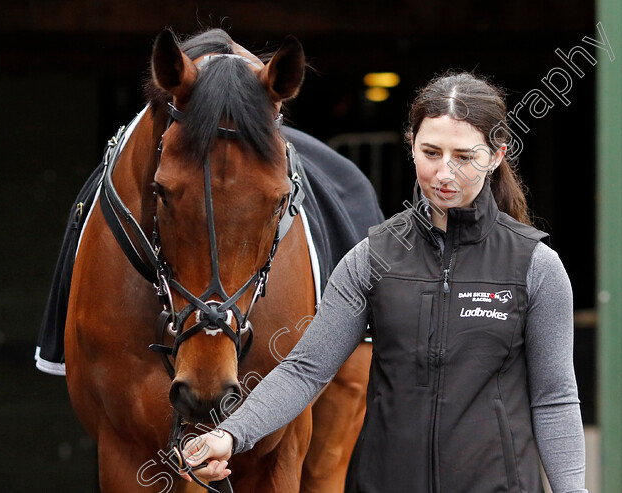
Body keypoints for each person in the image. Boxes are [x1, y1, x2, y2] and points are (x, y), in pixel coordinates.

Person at [181, 72, 587, 493]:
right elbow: (306, 369)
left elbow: (555, 399)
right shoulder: (370, 259)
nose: (444, 173)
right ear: (411, 146)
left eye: (465, 157)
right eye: (431, 151)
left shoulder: (536, 266)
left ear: (496, 155)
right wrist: (230, 434)